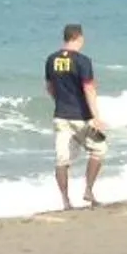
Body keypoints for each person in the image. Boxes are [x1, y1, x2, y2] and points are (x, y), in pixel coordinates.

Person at [45, 23, 108, 208]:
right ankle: (88, 190)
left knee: (62, 160)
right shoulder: (82, 61)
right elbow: (88, 88)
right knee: (98, 149)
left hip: (61, 116)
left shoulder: (51, 59)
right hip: (81, 118)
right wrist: (96, 117)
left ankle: (65, 201)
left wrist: (61, 101)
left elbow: (49, 87)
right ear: (78, 38)